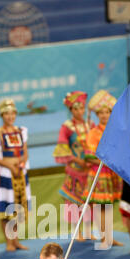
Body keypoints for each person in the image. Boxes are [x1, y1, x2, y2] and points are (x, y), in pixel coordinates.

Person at [82, 89, 123, 246]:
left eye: (107, 112)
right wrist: (105, 161)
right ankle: (104, 237)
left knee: (109, 206)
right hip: (99, 173)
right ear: (97, 115)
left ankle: (109, 236)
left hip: (112, 172)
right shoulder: (93, 132)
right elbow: (89, 155)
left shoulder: (115, 131)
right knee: (100, 207)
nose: (104, 115)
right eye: (101, 113)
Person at [0, 98, 31, 251]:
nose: (10, 116)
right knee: (6, 210)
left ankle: (16, 240)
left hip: (20, 173)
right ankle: (8, 242)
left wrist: (20, 165)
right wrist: (9, 166)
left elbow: (25, 152)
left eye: (12, 113)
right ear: (2, 115)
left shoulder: (21, 131)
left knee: (17, 209)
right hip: (6, 175)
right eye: (6, 114)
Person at [53, 91, 95, 241]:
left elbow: (96, 143)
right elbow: (62, 148)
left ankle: (89, 230)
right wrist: (77, 161)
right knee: (74, 201)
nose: (79, 111)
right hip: (75, 170)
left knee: (90, 201)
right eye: (76, 109)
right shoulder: (67, 127)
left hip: (89, 170)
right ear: (71, 110)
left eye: (82, 108)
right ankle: (77, 231)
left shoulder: (90, 124)